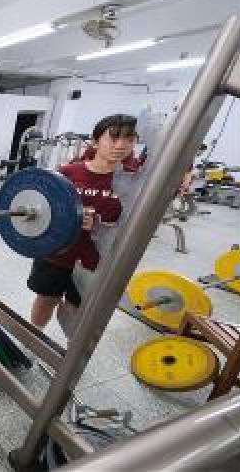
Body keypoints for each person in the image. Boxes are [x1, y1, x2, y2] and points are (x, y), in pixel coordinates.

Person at [27, 114, 137, 338]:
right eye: (114, 138)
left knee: (78, 309)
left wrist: (99, 225)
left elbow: (133, 226)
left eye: (128, 138)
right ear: (96, 142)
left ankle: (69, 357)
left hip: (94, 262)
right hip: (57, 254)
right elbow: (42, 209)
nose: (121, 145)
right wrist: (71, 218)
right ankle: (32, 339)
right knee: (46, 300)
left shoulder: (134, 183)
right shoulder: (68, 172)